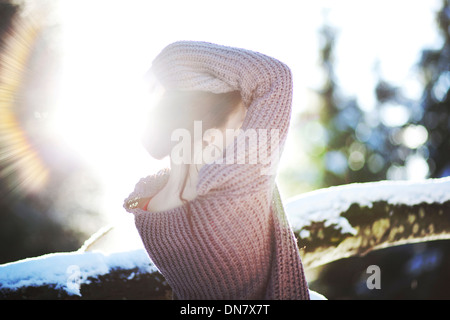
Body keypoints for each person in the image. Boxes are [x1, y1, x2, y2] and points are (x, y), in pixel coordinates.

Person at [124, 41, 309, 300]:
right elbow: (275, 75)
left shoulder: (148, 216)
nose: (249, 134)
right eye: (243, 123)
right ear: (209, 137)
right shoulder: (236, 184)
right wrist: (167, 62)